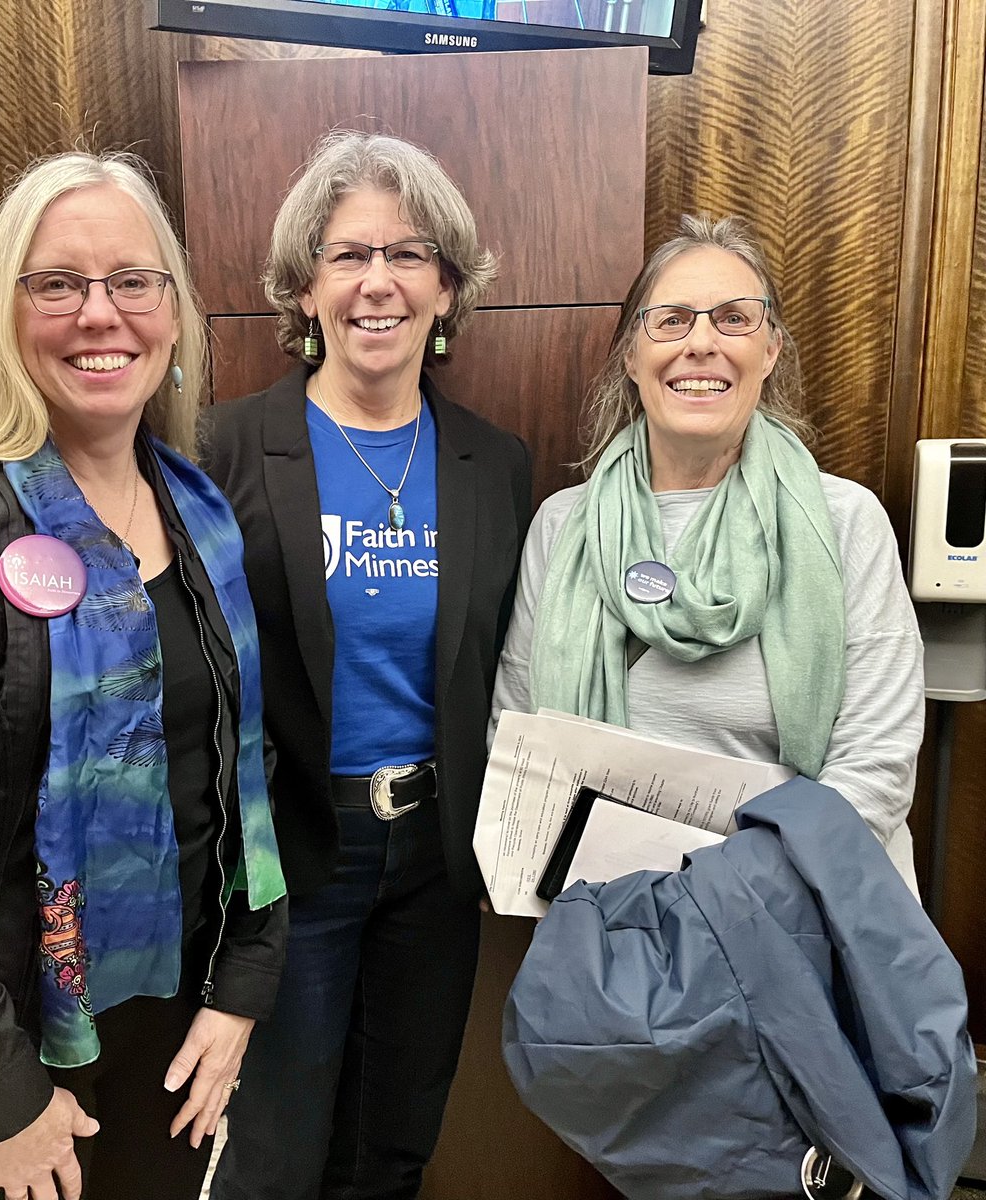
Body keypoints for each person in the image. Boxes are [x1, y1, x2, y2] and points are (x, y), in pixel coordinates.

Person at [0, 150, 286, 1200]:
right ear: (8, 312)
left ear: (172, 316)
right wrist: (2, 1101)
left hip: (169, 1025)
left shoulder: (200, 514)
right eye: (58, 284)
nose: (101, 313)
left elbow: (233, 782)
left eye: (133, 281)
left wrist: (240, 991)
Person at [205, 131, 531, 1200]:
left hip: (436, 858)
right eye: (346, 256)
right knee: (275, 1149)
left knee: (394, 1143)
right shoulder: (227, 450)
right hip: (294, 857)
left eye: (408, 254)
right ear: (303, 289)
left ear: (449, 287)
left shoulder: (495, 464)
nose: (377, 282)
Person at [492, 213, 923, 889]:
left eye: (732, 318)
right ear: (632, 356)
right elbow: (519, 742)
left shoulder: (845, 524)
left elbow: (877, 768)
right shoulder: (562, 527)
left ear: (771, 349)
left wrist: (719, 900)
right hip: (612, 926)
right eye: (671, 320)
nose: (701, 343)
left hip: (792, 922)